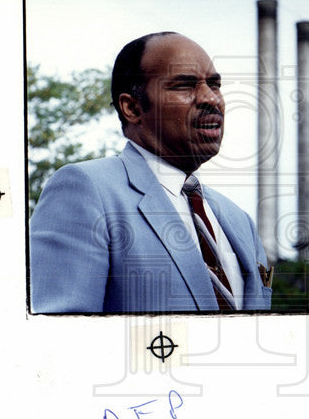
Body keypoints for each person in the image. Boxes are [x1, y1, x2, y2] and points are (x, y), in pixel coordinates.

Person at [30, 31, 272, 313]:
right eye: (185, 86)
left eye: (215, 85)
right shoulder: (85, 191)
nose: (211, 99)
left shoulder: (238, 220)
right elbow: (62, 336)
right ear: (132, 107)